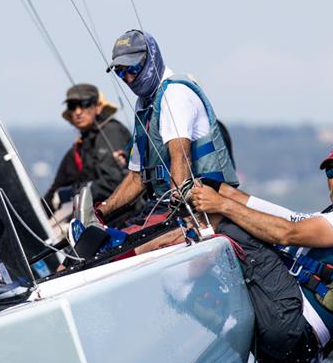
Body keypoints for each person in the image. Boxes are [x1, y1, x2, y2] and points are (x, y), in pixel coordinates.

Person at [190, 137, 333, 363]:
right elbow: (289, 217)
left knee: (228, 224)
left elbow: (285, 233)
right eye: (332, 171)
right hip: (295, 346)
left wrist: (222, 205)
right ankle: (225, 320)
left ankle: (184, 289)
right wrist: (228, 193)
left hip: (291, 327)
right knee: (244, 224)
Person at [95, 29, 238, 228]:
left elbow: (182, 157)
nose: (127, 78)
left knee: (123, 247)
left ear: (151, 59)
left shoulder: (175, 94)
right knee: (101, 243)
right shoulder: (144, 105)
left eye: (132, 69)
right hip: (159, 205)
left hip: (199, 207)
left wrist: (173, 219)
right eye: (120, 72)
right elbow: (137, 178)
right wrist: (101, 211)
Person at [42, 84, 132, 216]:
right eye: (72, 106)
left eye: (84, 104)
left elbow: (114, 181)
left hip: (122, 216)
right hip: (99, 214)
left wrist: (71, 193)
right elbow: (56, 189)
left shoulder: (110, 132)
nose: (78, 111)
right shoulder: (81, 145)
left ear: (98, 107)